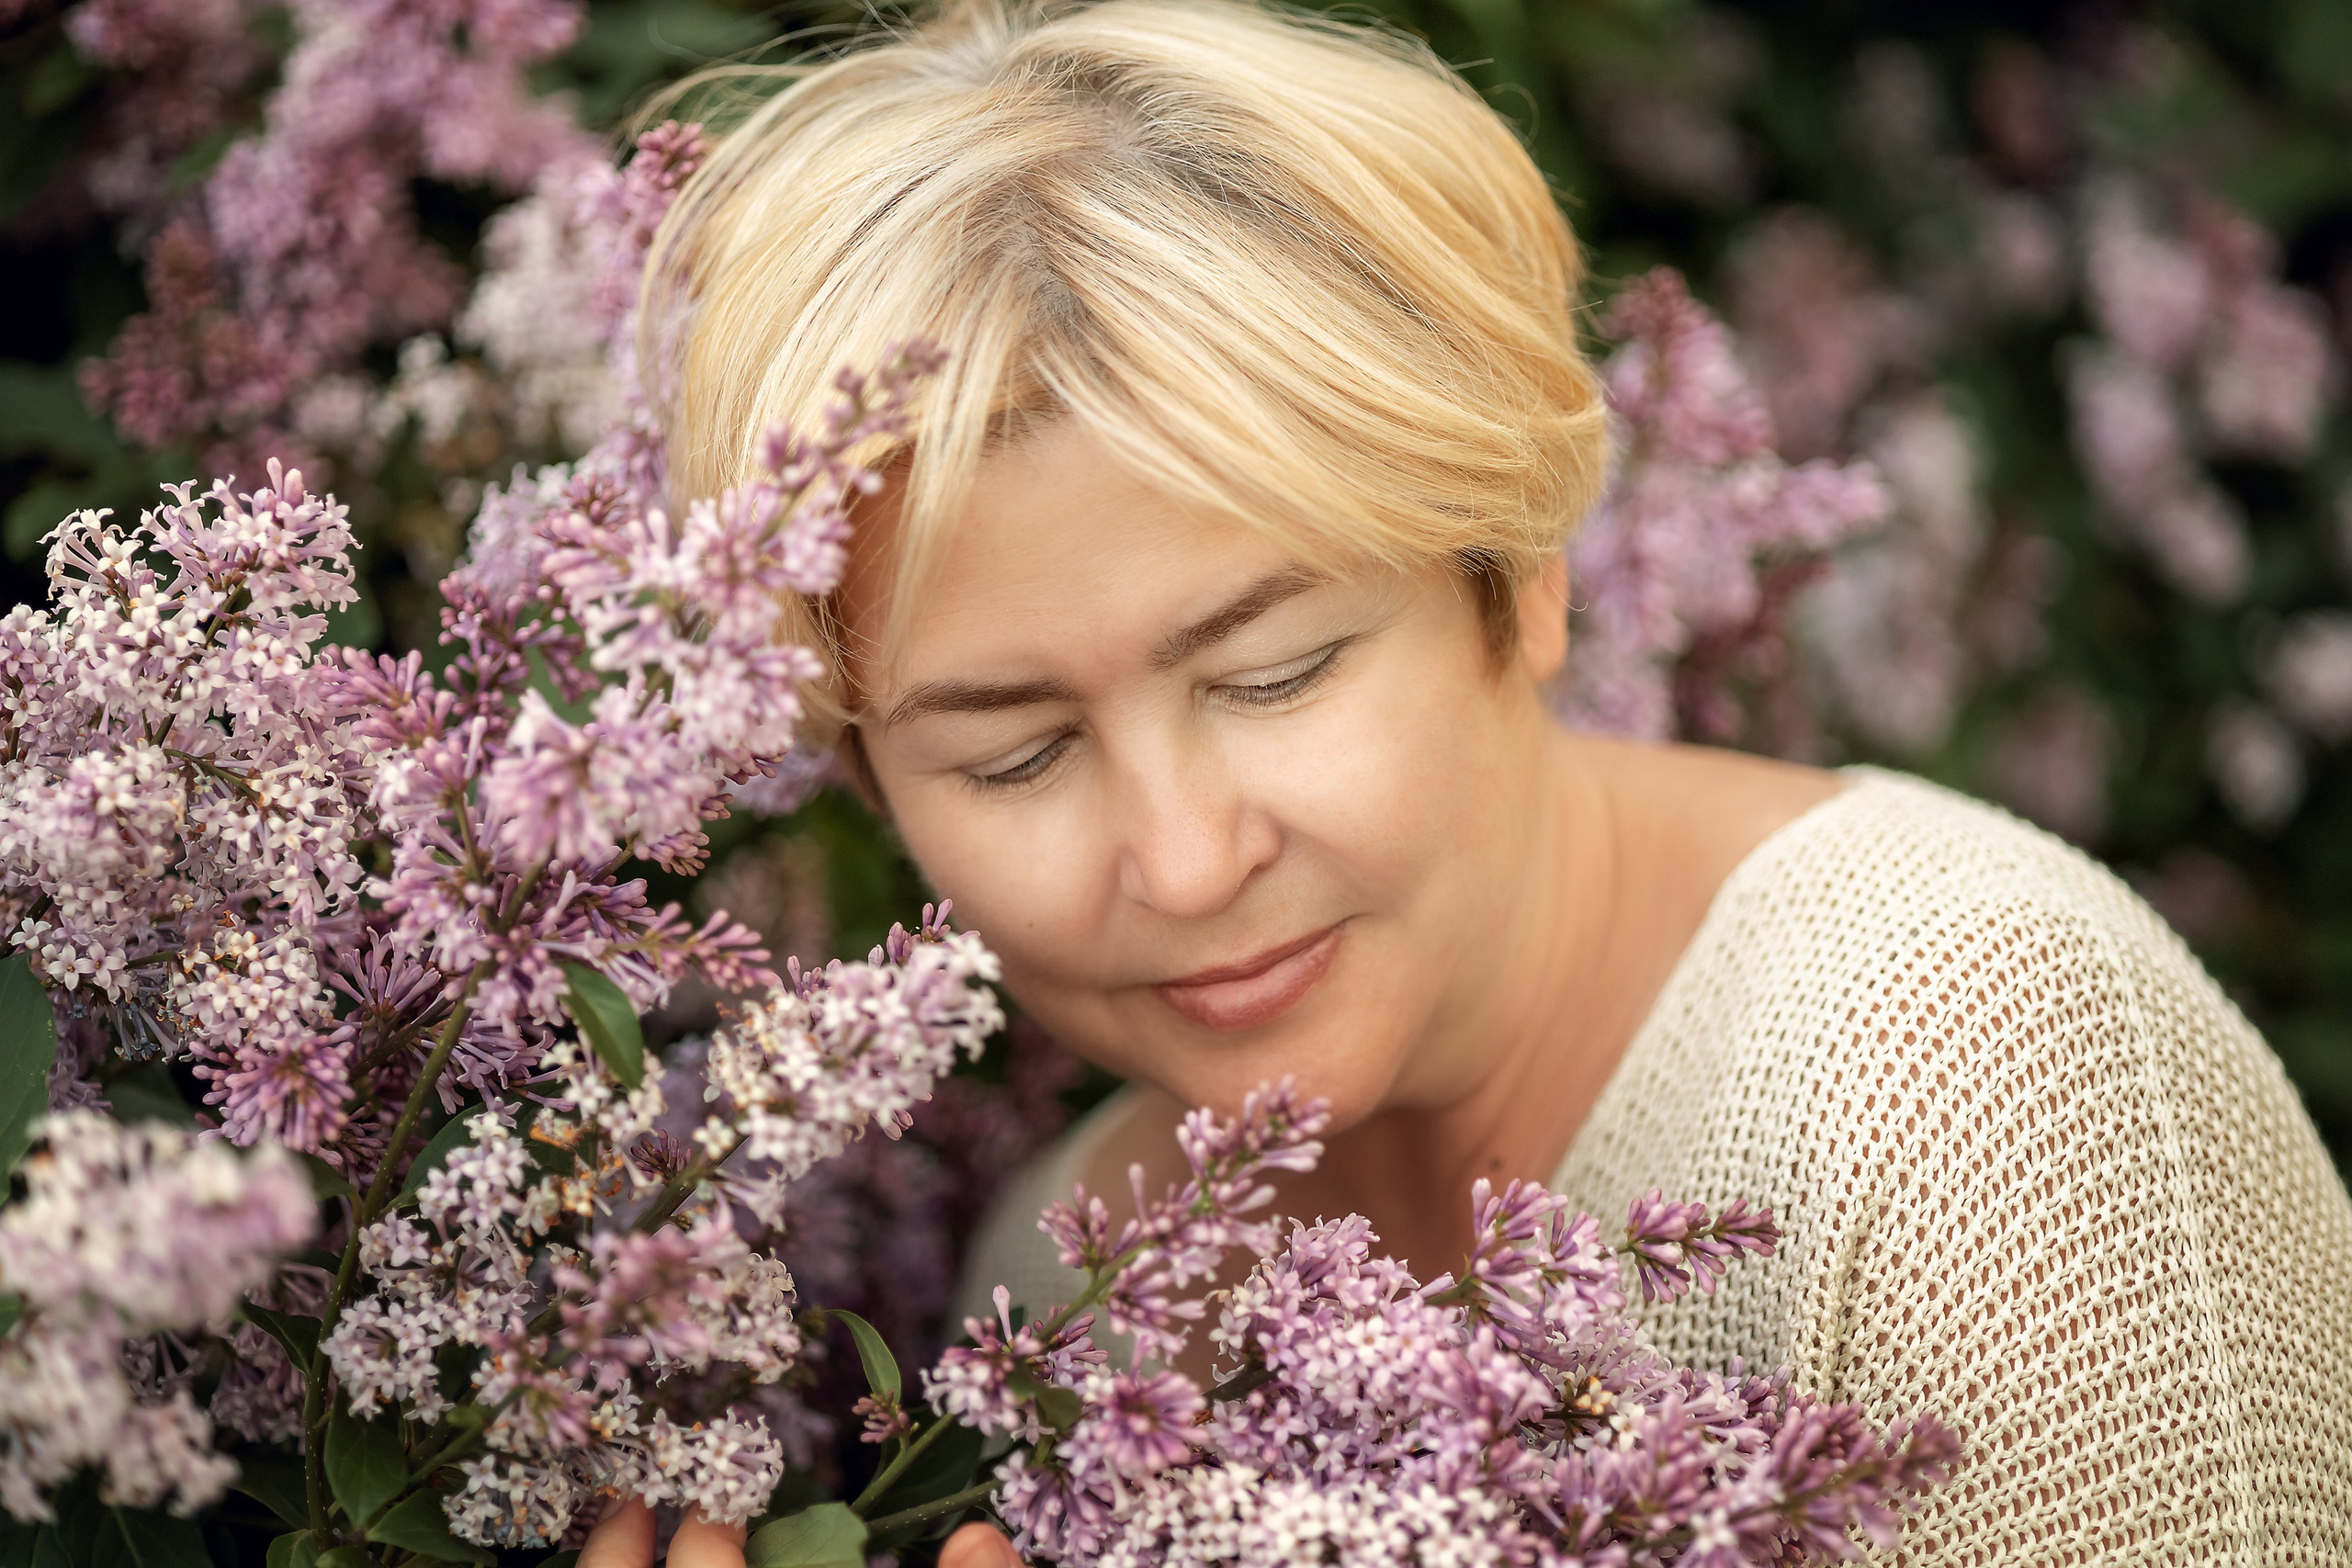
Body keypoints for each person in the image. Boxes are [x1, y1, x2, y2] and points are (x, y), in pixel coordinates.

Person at [584, 0, 2352, 1562]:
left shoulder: (1979, 1113)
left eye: (1273, 673)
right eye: (1015, 753)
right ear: (873, 782)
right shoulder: (1079, 1302)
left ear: (1522, 572)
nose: (1186, 860)